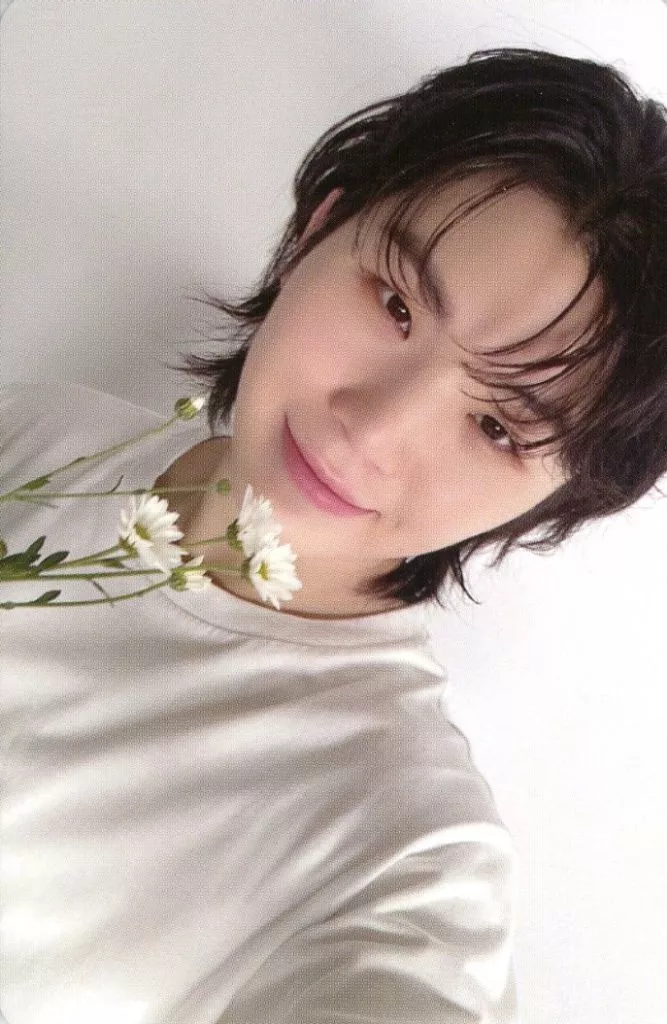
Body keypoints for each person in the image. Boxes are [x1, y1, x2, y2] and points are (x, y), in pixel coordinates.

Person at [0, 46, 665, 1024]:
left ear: (554, 499)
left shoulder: (402, 846)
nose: (374, 428)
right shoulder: (40, 434)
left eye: (496, 427)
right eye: (395, 304)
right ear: (319, 228)